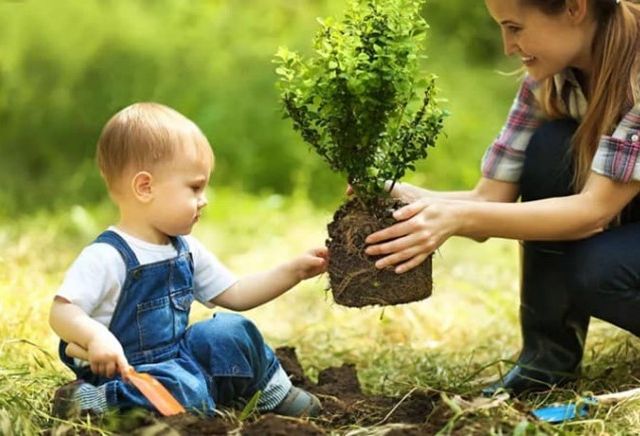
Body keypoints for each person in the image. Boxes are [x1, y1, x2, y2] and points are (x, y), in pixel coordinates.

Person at [364, 0, 640, 395]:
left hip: (609, 217)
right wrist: (409, 198)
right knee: (551, 147)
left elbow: (592, 212)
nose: (508, 46)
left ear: (575, 8)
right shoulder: (550, 76)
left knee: (598, 271)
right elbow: (489, 199)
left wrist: (454, 218)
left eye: (515, 27)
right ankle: (546, 363)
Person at [49, 102, 327, 417]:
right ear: (145, 187)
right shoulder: (107, 256)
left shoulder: (185, 248)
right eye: (195, 188)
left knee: (232, 331)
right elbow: (62, 312)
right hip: (128, 372)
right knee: (186, 390)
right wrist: (96, 337)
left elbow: (235, 294)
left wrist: (293, 271)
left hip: (176, 357)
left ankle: (271, 392)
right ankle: (93, 401)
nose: (204, 200)